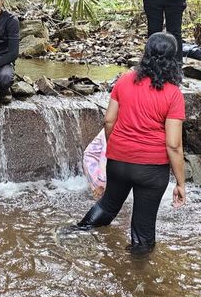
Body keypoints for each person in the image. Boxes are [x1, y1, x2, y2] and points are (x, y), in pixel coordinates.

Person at [76, 32, 186, 256]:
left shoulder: (125, 80)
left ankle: (75, 233)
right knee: (142, 231)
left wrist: (114, 148)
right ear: (173, 59)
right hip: (151, 170)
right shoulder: (174, 94)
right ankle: (137, 277)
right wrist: (181, 183)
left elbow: (108, 120)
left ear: (146, 54)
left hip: (119, 162)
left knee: (107, 205)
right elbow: (173, 145)